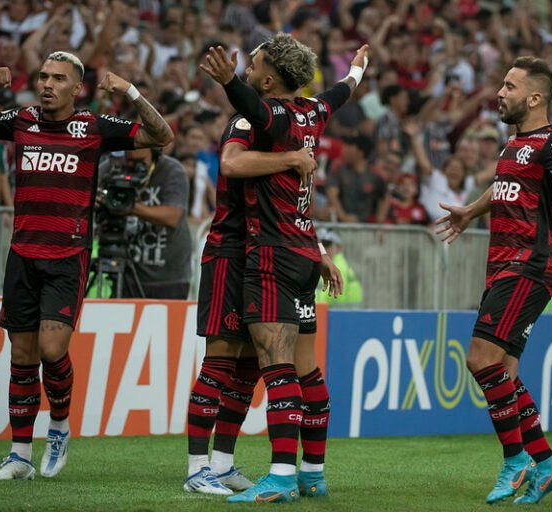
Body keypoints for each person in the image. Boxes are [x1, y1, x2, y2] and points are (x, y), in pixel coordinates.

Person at [0, 51, 173, 480]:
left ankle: (58, 426)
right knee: (21, 354)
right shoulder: (22, 120)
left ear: (78, 88)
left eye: (58, 78)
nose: (47, 84)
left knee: (52, 351)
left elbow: (161, 135)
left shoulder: (93, 127)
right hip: (22, 253)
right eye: (43, 76)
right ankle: (19, 456)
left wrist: (129, 91)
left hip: (67, 257)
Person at [200, 36, 368, 502]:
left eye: (254, 64)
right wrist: (357, 70)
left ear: (270, 79)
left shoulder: (274, 118)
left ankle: (279, 477)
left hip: (271, 256)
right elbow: (341, 92)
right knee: (307, 371)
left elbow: (250, 106)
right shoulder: (313, 113)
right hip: (305, 255)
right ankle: (312, 472)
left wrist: (228, 81)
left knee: (277, 370)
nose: (249, 67)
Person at [436, 56, 552, 505]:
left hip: (530, 264)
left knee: (480, 359)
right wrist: (470, 210)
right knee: (503, 370)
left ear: (534, 97)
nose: (499, 92)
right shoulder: (512, 145)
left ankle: (515, 460)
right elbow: (504, 187)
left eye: (509, 86)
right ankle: (546, 464)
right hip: (504, 265)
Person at [185, 113, 329, 496]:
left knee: (248, 370)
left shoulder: (283, 135)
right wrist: (293, 158)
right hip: (228, 255)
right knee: (218, 362)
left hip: (263, 258)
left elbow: (294, 209)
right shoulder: (248, 126)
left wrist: (318, 249)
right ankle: (196, 467)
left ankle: (222, 464)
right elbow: (232, 164)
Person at [111, 148, 193, 299]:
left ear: (155, 154)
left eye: (140, 161)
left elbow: (173, 216)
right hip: (125, 273)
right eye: (129, 160)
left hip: (168, 277)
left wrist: (133, 208)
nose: (132, 166)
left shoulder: (172, 170)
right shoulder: (113, 166)